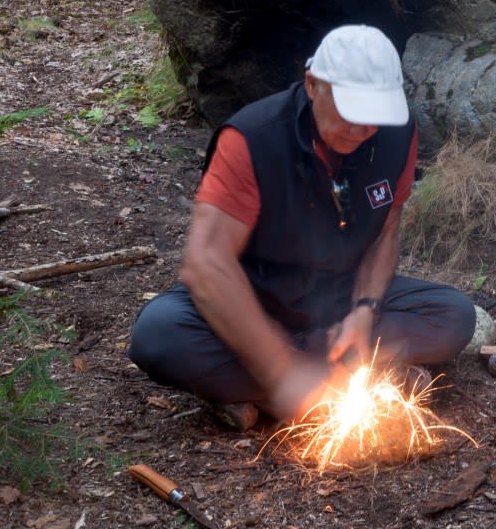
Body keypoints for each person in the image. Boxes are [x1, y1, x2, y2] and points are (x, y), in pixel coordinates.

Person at [128, 25, 476, 429]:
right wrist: (282, 369)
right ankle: (314, 379)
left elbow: (385, 231)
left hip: (337, 298)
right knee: (159, 336)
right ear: (312, 85)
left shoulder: (397, 136)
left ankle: (271, 386)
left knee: (453, 316)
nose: (362, 129)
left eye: (374, 115)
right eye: (350, 109)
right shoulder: (253, 139)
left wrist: (365, 310)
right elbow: (206, 264)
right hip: (256, 296)